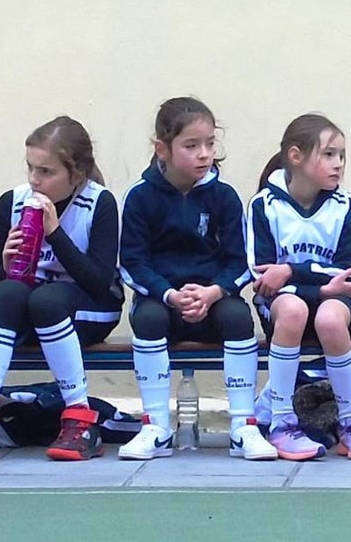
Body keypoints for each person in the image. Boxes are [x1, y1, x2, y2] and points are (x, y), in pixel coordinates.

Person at [0, 116, 123, 465]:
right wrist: (6, 260)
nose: (34, 180)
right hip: (33, 305)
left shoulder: (99, 202)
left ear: (76, 174)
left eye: (46, 172)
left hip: (90, 307)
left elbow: (99, 282)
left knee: (48, 299)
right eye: (30, 168)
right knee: (9, 294)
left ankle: (79, 418)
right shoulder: (12, 202)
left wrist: (55, 234)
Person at [118, 96, 276, 461]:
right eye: (191, 146)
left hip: (214, 300)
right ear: (162, 149)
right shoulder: (140, 198)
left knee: (239, 317)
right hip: (164, 301)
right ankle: (155, 426)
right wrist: (169, 295)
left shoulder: (224, 197)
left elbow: (241, 261)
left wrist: (214, 292)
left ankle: (242, 427)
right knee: (147, 318)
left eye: (209, 144)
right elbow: (132, 263)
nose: (204, 154)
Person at [245, 113, 351, 461]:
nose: (339, 164)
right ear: (296, 157)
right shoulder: (263, 206)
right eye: (329, 154)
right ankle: (282, 423)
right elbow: (260, 273)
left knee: (331, 318)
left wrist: (290, 270)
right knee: (292, 309)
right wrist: (318, 284)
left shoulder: (346, 208)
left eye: (342, 156)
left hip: (337, 302)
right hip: (283, 305)